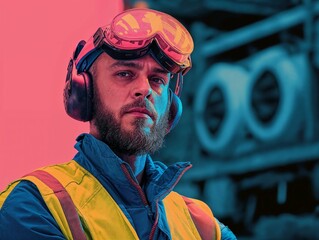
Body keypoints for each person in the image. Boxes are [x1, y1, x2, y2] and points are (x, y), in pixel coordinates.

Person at [0, 8, 236, 240]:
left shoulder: (201, 224)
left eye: (157, 79)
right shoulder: (34, 204)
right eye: (125, 74)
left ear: (172, 107)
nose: (144, 89)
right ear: (85, 92)